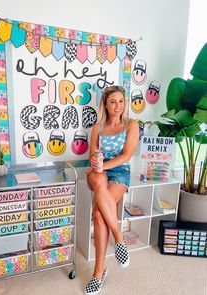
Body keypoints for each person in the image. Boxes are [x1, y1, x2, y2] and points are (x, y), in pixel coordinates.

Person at [84, 85, 139, 295]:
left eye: (121, 101)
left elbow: (126, 156)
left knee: (98, 214)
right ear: (105, 105)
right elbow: (92, 155)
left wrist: (103, 166)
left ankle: (98, 273)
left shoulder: (131, 125)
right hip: (98, 173)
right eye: (113, 102)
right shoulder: (98, 127)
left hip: (119, 173)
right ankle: (119, 238)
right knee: (98, 182)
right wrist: (97, 162)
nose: (118, 106)